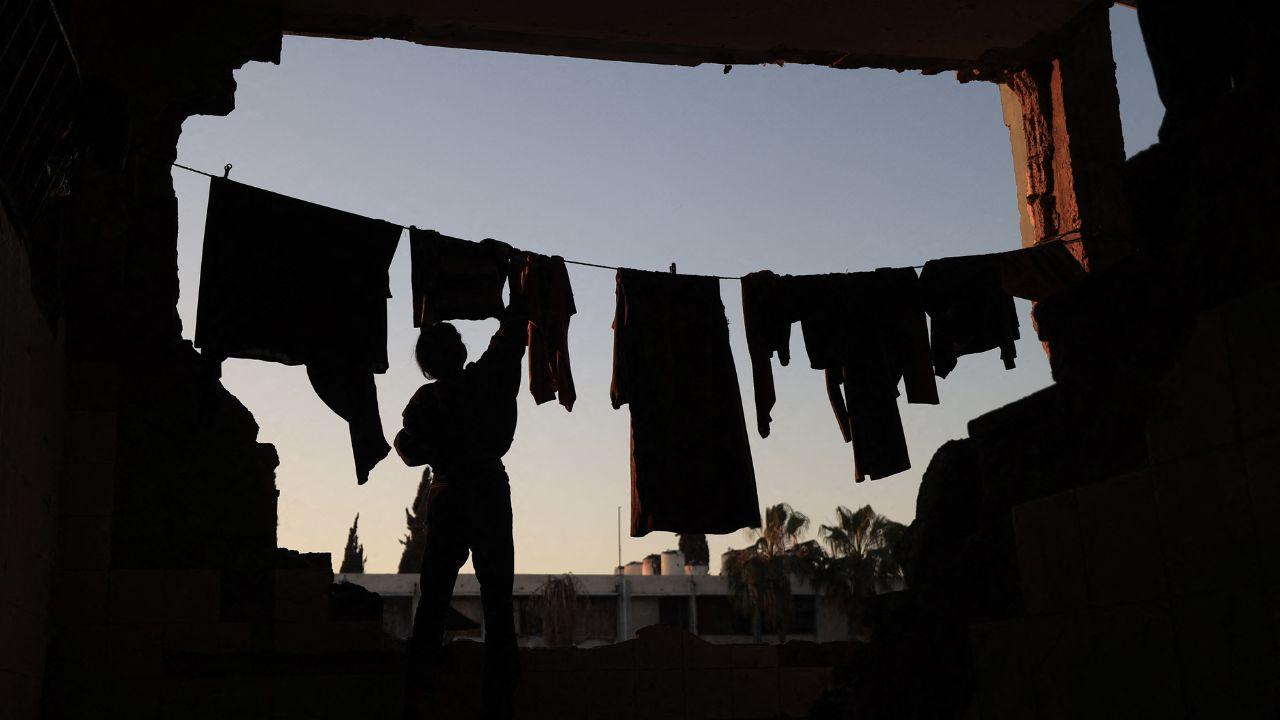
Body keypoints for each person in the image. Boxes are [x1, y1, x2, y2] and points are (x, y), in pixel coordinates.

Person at [395, 256, 526, 720]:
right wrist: (510, 280)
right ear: (460, 352)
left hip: (450, 496)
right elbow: (514, 330)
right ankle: (499, 708)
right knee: (497, 605)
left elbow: (405, 447)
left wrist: (438, 446)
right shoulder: (489, 378)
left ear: (428, 366)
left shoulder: (426, 401)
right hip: (489, 490)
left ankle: (418, 701)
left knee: (432, 605)